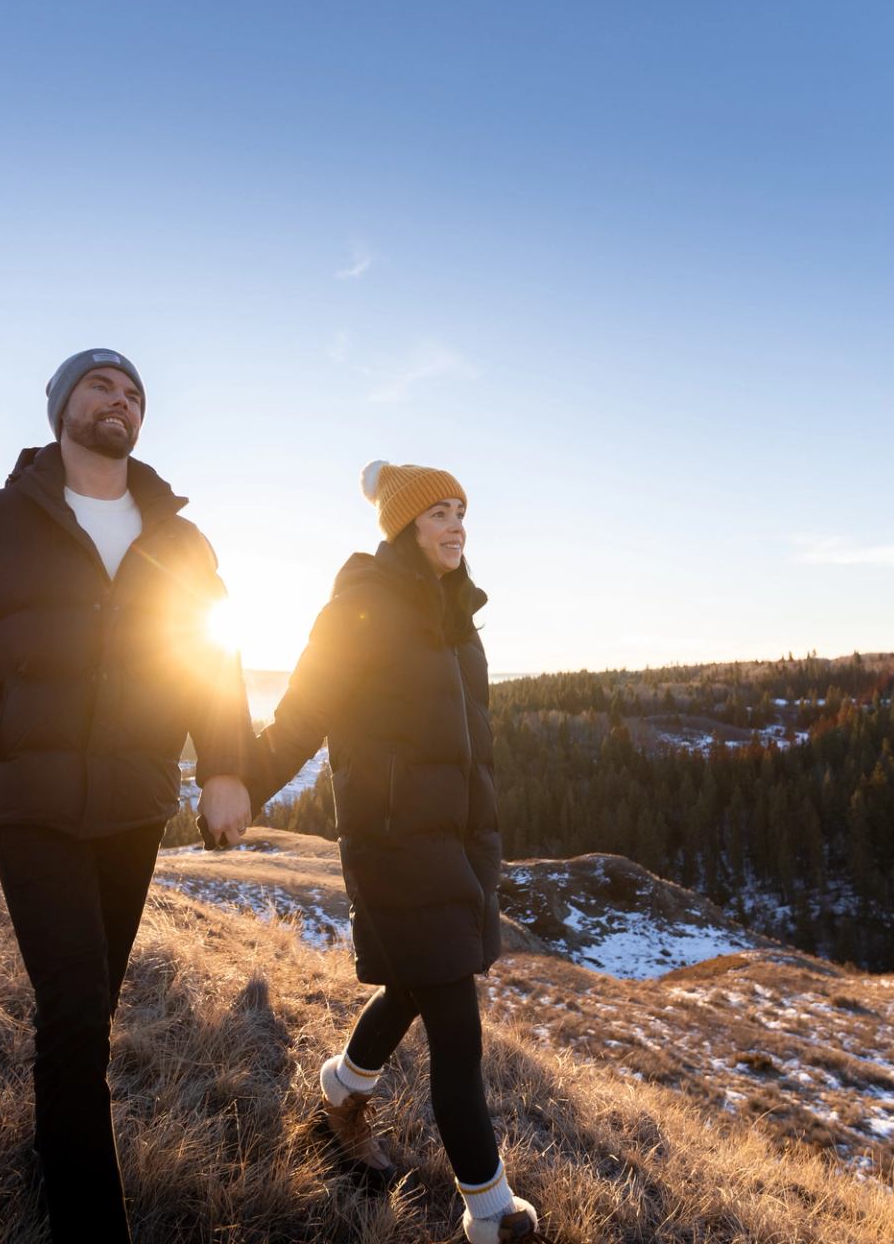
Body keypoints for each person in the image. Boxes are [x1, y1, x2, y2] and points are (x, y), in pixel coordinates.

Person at [0, 348, 252, 1243]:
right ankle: (92, 1221)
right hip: (35, 801)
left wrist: (224, 767)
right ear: (61, 407)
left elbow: (213, 656)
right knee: (76, 998)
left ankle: (56, 1142)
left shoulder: (179, 537)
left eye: (134, 393)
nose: (120, 401)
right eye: (101, 385)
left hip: (133, 802)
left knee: (91, 1002)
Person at [243, 461, 542, 1244]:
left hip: (460, 838)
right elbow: (304, 711)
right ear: (404, 526)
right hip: (396, 839)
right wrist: (244, 783)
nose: (457, 526)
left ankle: (342, 1089)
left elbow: (468, 738)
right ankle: (491, 1212)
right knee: (455, 1023)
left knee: (418, 982)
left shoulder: (454, 612)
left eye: (462, 513)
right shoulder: (363, 605)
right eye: (440, 512)